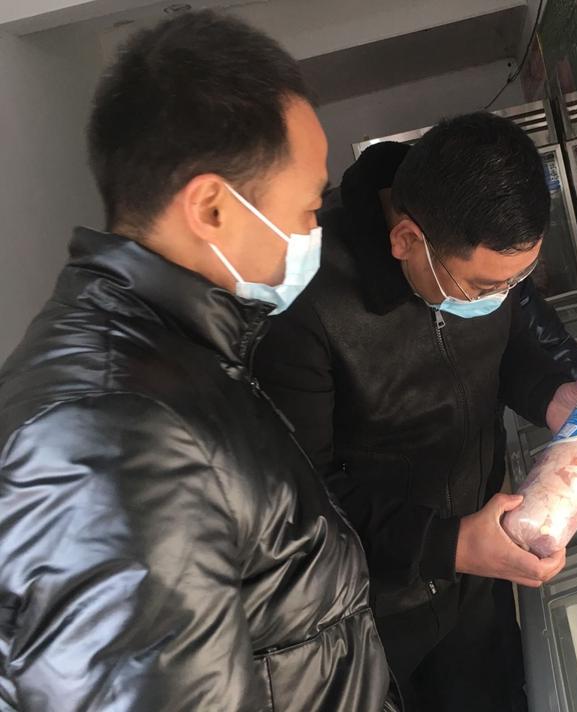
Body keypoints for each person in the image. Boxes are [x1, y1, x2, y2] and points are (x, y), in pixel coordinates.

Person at [0, 12, 396, 711]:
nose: (315, 229)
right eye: (309, 207)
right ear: (212, 208)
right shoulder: (113, 439)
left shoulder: (182, 362)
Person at [253, 114, 577, 711]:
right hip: (378, 605)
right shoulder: (304, 303)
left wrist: (550, 394)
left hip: (479, 574)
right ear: (407, 240)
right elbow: (302, 496)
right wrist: (448, 544)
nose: (500, 297)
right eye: (482, 287)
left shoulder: (480, 249)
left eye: (515, 282)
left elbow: (507, 346)